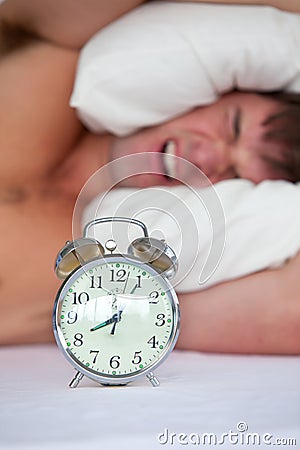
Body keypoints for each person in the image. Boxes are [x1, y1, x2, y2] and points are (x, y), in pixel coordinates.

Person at [0, 0, 300, 353]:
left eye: (235, 178)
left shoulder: (96, 287)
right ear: (218, 89)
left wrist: (143, 319)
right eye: (231, 124)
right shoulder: (53, 57)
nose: (205, 158)